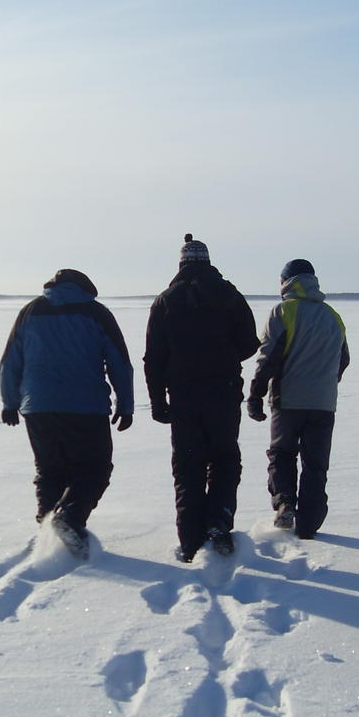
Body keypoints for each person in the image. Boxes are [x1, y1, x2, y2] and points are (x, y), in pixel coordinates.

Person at [0, 268, 134, 557]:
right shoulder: (96, 312)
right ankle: (68, 519)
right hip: (86, 406)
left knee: (50, 471)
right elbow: (119, 362)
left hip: (39, 406)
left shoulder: (30, 311)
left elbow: (9, 361)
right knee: (95, 468)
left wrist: (10, 402)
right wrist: (125, 405)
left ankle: (50, 530)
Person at [144, 234, 259, 562]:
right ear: (208, 261)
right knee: (224, 458)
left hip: (184, 397)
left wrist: (158, 401)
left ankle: (190, 540)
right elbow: (250, 343)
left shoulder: (166, 300)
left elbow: (154, 358)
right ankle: (219, 522)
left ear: (181, 263)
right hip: (223, 392)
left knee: (188, 465)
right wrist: (224, 358)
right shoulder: (230, 295)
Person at [247, 259, 349, 539]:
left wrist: (256, 393)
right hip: (323, 403)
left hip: (288, 400)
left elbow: (269, 357)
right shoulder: (333, 316)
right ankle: (309, 524)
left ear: (286, 282)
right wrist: (325, 382)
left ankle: (285, 504)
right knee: (316, 464)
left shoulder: (283, 311)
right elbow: (343, 359)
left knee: (282, 454)